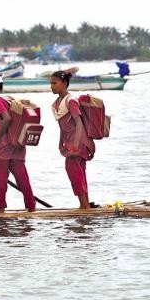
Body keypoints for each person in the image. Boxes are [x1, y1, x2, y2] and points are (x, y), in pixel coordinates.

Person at [0, 71, 36, 213]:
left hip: (4, 147)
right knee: (23, 179)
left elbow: (6, 119)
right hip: (17, 145)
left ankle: (1, 210)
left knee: (1, 180)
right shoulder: (9, 98)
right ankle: (31, 207)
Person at [50, 69, 95, 209]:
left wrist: (75, 147)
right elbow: (62, 127)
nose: (51, 86)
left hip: (79, 143)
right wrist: (60, 144)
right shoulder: (57, 102)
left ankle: (84, 206)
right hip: (69, 143)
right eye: (50, 83)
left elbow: (79, 124)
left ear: (64, 84)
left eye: (55, 83)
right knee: (78, 173)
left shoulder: (71, 101)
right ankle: (85, 205)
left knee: (74, 172)